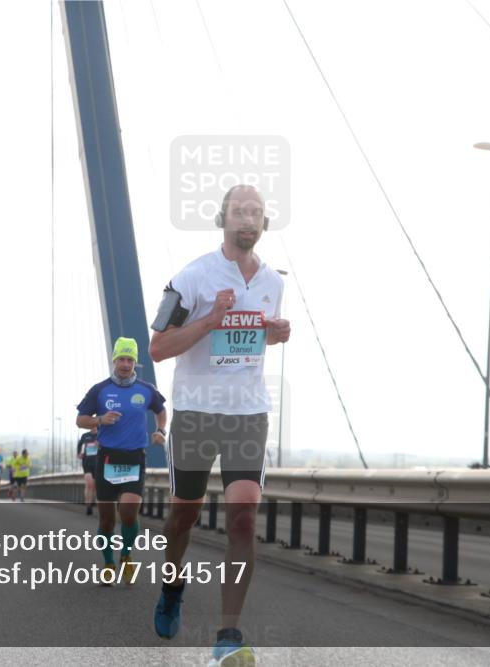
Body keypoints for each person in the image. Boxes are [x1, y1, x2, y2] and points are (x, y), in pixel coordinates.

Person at [149, 184, 290, 663]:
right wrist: (209, 320)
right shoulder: (191, 278)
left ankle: (227, 635)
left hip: (248, 414)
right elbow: (157, 348)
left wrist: (274, 335)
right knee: (183, 515)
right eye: (239, 211)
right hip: (195, 413)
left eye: (256, 212)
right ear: (223, 219)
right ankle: (172, 586)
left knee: (244, 515)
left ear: (264, 223)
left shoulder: (274, 282)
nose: (247, 219)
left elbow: (251, 342)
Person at [76, 337, 167, 584]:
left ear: (135, 362)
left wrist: (161, 431)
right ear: (114, 360)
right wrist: (100, 420)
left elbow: (161, 411)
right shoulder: (100, 389)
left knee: (128, 512)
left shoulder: (146, 390)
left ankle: (126, 556)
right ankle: (107, 563)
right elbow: (80, 420)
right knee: (106, 519)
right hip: (107, 459)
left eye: (130, 359)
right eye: (121, 359)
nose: (125, 364)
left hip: (134, 458)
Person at [77, 427, 99, 515]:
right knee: (89, 484)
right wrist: (79, 453)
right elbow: (79, 445)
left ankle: (95, 504)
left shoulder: (101, 435)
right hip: (87, 463)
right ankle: (88, 506)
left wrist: (100, 445)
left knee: (95, 487)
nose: (93, 426)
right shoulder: (85, 436)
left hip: (98, 464)